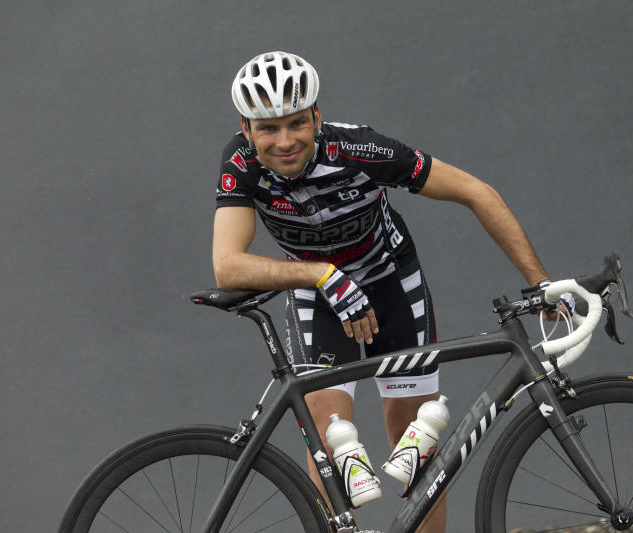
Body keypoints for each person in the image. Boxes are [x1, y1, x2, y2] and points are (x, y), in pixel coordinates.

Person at [212, 51, 563, 533]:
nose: (285, 140)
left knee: (416, 446)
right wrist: (325, 276)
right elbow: (227, 265)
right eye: (268, 128)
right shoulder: (240, 162)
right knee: (332, 450)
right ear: (246, 129)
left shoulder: (360, 149)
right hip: (317, 294)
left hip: (390, 282)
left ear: (317, 116)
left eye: (297, 123)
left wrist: (539, 281)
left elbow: (475, 191)